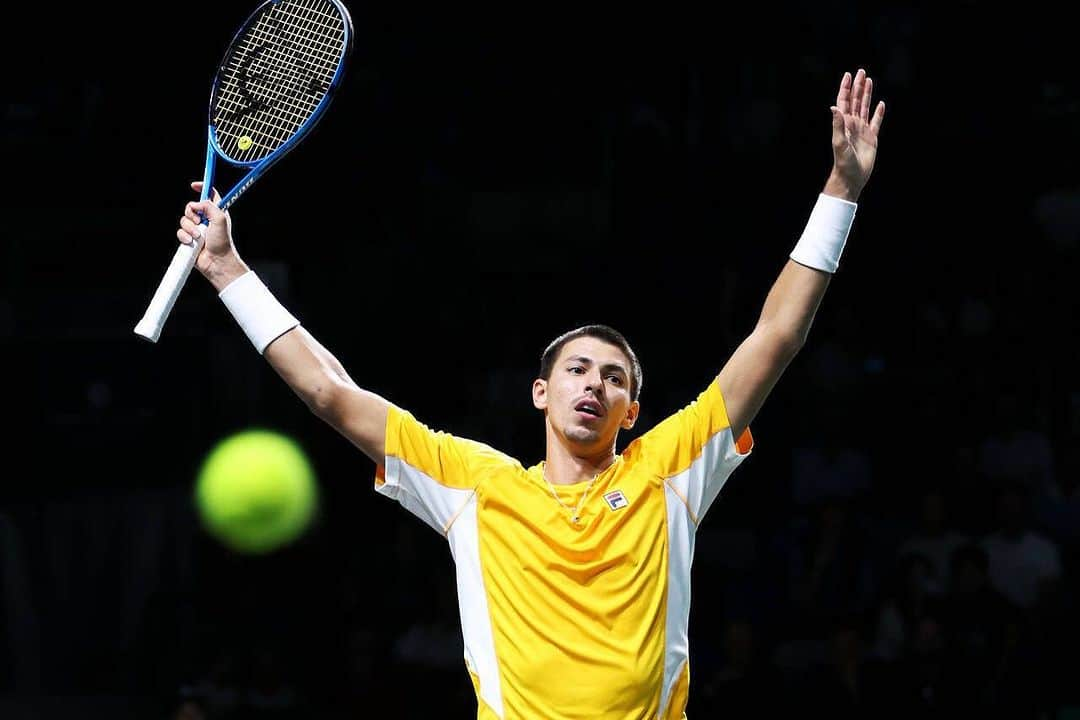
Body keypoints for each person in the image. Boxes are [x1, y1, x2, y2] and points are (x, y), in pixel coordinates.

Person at [171, 68, 885, 719]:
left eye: (615, 378)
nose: (595, 384)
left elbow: (775, 337)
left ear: (631, 413)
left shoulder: (669, 469)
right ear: (540, 393)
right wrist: (231, 273)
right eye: (578, 369)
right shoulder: (473, 485)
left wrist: (841, 192)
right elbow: (331, 393)